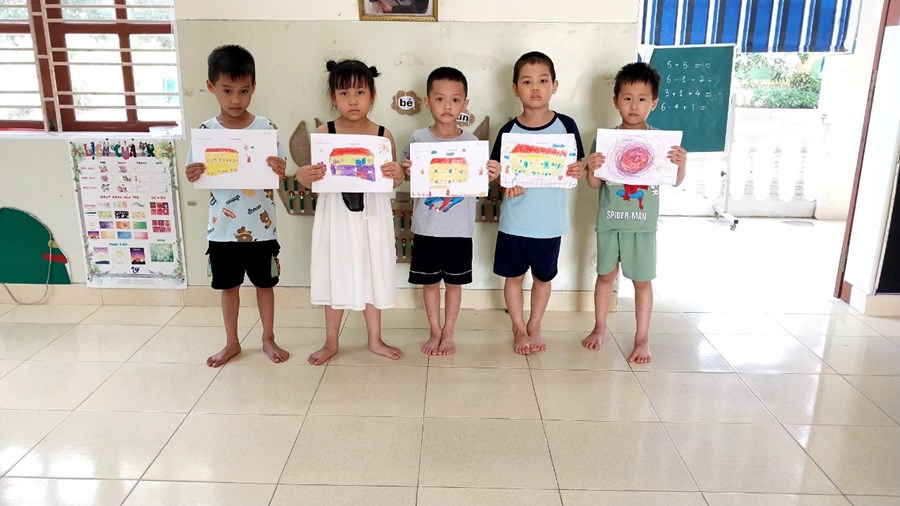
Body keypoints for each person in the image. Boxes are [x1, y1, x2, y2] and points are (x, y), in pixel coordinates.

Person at [184, 44, 290, 367]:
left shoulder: (266, 128)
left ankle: (268, 338)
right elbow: (193, 173)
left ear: (254, 87)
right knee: (228, 287)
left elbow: (280, 170)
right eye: (227, 90)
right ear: (211, 86)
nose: (236, 99)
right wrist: (193, 172)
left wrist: (280, 168)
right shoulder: (206, 132)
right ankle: (232, 342)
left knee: (265, 285)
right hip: (222, 229)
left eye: (244, 91)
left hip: (262, 228)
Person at [296, 59, 406, 366]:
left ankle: (375, 339)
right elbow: (311, 178)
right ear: (333, 97)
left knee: (372, 269)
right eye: (344, 93)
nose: (353, 100)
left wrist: (398, 173)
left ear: (372, 94)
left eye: (360, 92)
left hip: (373, 215)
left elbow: (393, 178)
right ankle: (331, 341)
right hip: (336, 216)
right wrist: (303, 175)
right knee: (335, 270)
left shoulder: (383, 135)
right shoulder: (324, 132)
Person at [582, 62, 688, 363]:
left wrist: (681, 164)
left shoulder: (662, 142)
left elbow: (676, 181)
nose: (634, 105)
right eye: (627, 98)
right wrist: (591, 167)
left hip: (642, 225)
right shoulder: (604, 140)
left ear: (654, 103)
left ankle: (642, 339)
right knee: (605, 276)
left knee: (642, 281)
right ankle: (599, 327)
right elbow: (594, 184)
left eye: (642, 99)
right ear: (615, 101)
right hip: (609, 222)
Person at [400, 67, 500, 356]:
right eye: (440, 99)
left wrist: (492, 174)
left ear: (465, 104)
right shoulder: (418, 138)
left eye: (455, 100)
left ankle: (449, 333)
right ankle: (434, 331)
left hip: (459, 229)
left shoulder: (472, 144)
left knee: (455, 284)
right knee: (430, 283)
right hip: (427, 227)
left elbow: (480, 182)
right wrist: (408, 171)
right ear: (427, 101)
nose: (447, 106)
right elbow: (405, 174)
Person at [490, 51, 585, 355]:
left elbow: (578, 166)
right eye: (527, 81)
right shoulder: (508, 131)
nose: (535, 88)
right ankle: (519, 328)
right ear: (515, 88)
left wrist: (579, 169)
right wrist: (503, 181)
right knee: (514, 277)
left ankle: (535, 324)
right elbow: (496, 174)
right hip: (515, 222)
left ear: (554, 85)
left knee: (543, 278)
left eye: (543, 81)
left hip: (550, 223)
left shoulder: (566, 126)